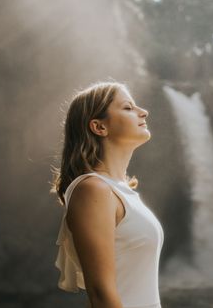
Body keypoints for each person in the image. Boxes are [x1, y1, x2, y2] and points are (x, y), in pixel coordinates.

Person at [53, 81, 163, 308]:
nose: (144, 112)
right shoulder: (93, 189)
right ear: (99, 127)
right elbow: (101, 294)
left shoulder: (123, 191)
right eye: (128, 107)